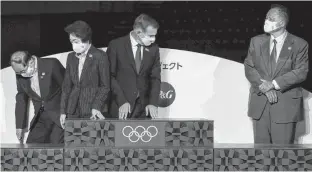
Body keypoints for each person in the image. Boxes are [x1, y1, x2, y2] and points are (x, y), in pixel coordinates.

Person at [244, 4, 309, 144]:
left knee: (282, 157)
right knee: (260, 157)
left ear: (282, 23)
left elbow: (300, 72)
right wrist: (264, 87)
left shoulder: (299, 44)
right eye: (266, 17)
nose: (266, 21)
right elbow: (249, 67)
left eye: (271, 18)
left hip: (285, 107)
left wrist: (273, 85)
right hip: (260, 105)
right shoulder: (256, 41)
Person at [107, 14, 161, 119]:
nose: (153, 40)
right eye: (150, 36)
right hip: (120, 107)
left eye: (155, 35)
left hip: (144, 109)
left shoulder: (154, 49)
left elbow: (155, 78)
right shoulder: (116, 45)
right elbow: (109, 76)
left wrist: (153, 103)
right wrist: (121, 101)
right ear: (138, 32)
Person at [60, 20, 110, 127]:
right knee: (73, 142)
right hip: (72, 110)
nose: (73, 44)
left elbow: (105, 86)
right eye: (71, 41)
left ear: (86, 39)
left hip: (92, 110)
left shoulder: (100, 56)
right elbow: (66, 86)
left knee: (90, 141)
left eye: (76, 41)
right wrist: (63, 111)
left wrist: (96, 106)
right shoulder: (71, 57)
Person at [11, 51, 65, 144]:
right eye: (19, 73)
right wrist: (19, 126)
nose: (21, 75)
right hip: (41, 116)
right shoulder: (20, 73)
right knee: (31, 149)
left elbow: (68, 88)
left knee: (55, 149)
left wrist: (65, 112)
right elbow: (21, 98)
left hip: (60, 114)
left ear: (31, 62)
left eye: (23, 71)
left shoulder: (51, 64)